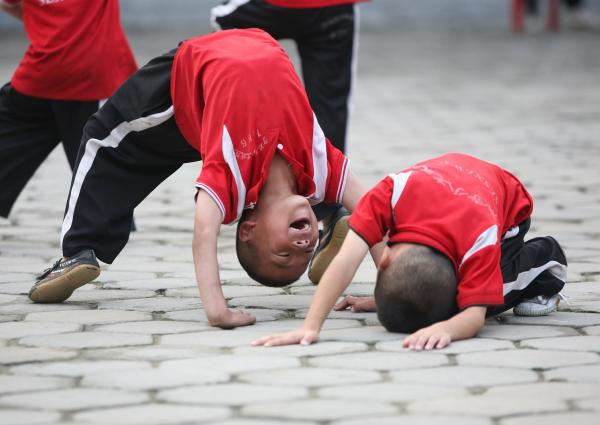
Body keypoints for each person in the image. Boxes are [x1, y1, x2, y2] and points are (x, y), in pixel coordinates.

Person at [29, 28, 379, 330]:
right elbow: (375, 214)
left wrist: (216, 309)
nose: (302, 250)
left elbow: (204, 232)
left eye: (283, 256)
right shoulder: (319, 168)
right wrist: (387, 291)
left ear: (248, 228)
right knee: (138, 146)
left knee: (102, 139)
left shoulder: (234, 177)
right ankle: (332, 219)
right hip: (228, 55)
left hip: (191, 75)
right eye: (305, 256)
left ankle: (78, 251)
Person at [253, 153, 568, 350]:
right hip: (457, 180)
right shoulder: (391, 191)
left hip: (506, 209)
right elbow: (346, 260)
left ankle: (547, 261)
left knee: (487, 297)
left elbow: (474, 316)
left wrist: (446, 326)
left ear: (385, 257)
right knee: (442, 296)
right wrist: (311, 325)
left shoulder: (480, 237)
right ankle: (424, 296)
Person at [211, 0, 368, 283]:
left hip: (263, 5)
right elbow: (375, 215)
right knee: (331, 102)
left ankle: (257, 172)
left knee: (229, 55)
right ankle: (331, 206)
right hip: (332, 7)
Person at [0, 0, 137, 218]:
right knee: (97, 163)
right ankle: (102, 225)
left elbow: (9, 4)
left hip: (41, 75)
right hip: (90, 77)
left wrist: (49, 22)